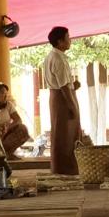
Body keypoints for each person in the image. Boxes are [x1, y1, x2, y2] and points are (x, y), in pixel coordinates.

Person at [43, 26, 82, 176]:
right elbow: (63, 86)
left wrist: (73, 87)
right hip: (63, 99)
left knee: (61, 134)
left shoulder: (52, 56)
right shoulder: (58, 59)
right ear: (60, 42)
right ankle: (65, 170)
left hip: (58, 97)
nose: (70, 40)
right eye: (68, 38)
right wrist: (72, 105)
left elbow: (63, 83)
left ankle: (61, 168)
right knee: (66, 136)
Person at [0, 83, 31, 157]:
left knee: (22, 128)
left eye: (6, 93)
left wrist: (7, 127)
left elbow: (18, 119)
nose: (5, 96)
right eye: (2, 93)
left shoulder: (9, 105)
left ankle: (7, 153)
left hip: (5, 134)